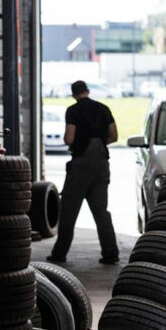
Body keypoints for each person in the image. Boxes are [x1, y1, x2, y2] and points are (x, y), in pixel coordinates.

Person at [48, 80, 120, 264]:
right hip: (102, 164)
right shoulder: (104, 108)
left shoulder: (73, 111)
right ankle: (110, 253)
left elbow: (69, 138)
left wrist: (75, 141)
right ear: (87, 91)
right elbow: (114, 136)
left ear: (74, 95)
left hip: (81, 165)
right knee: (101, 212)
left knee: (69, 211)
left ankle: (59, 253)